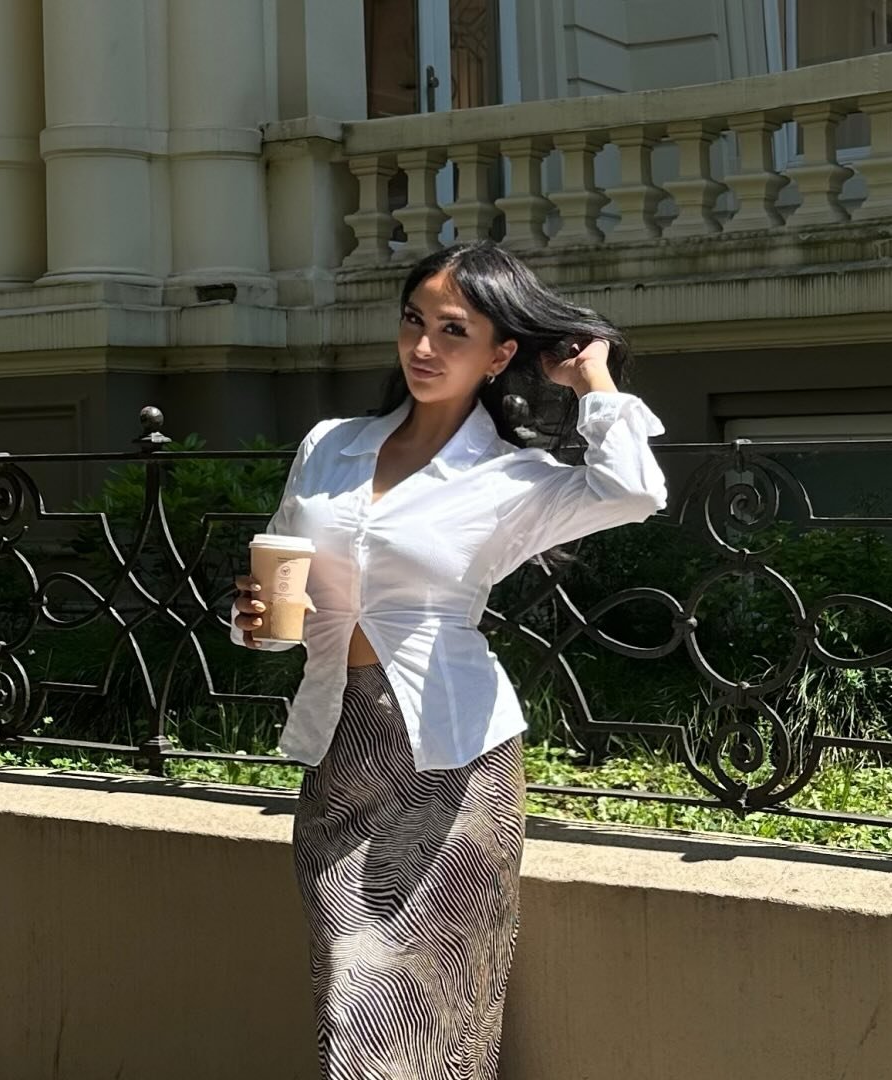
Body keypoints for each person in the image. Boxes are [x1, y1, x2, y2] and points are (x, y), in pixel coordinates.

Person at [231, 241, 667, 1079]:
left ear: (500, 355)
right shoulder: (330, 446)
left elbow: (634, 490)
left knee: (438, 1007)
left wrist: (592, 378)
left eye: (454, 330)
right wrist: (255, 623)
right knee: (347, 994)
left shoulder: (512, 478)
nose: (424, 346)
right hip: (342, 747)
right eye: (413, 321)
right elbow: (284, 591)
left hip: (454, 758)